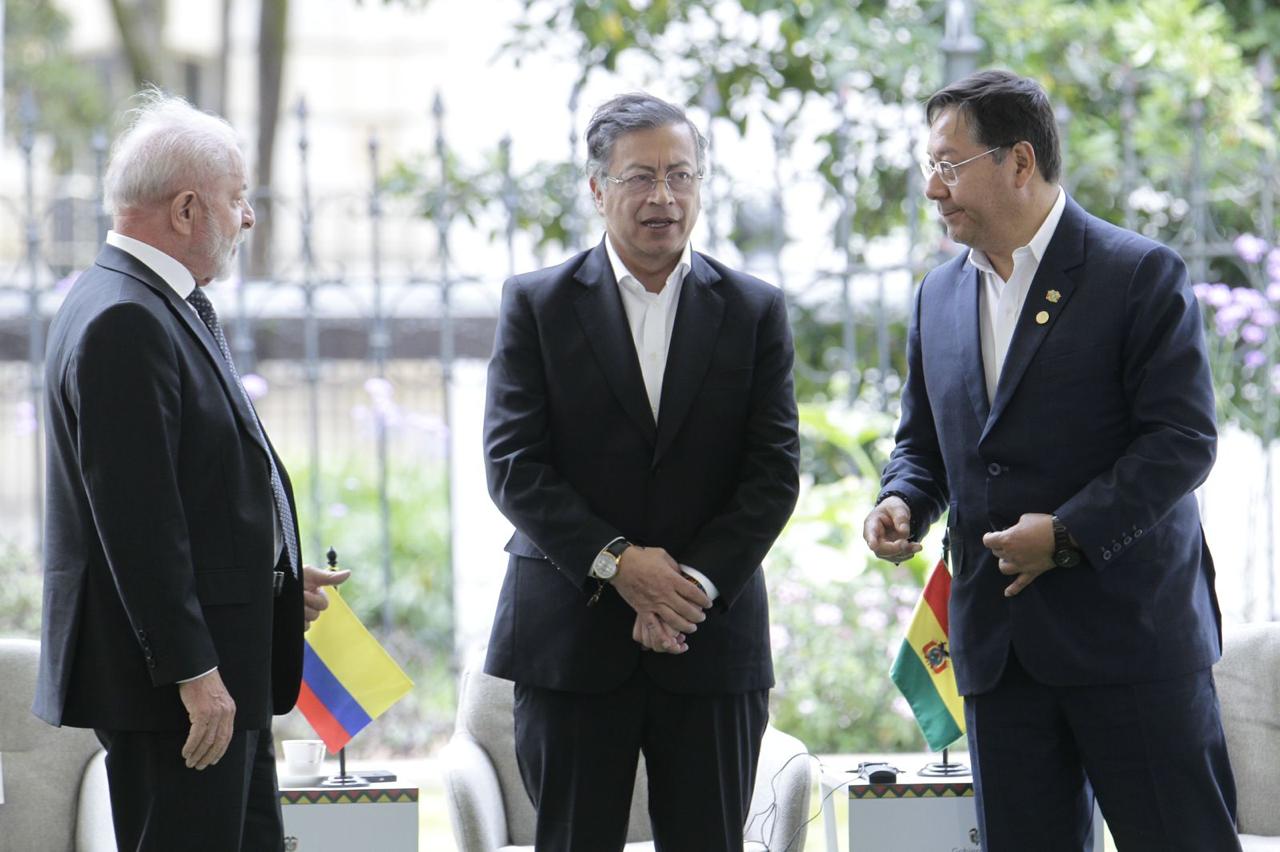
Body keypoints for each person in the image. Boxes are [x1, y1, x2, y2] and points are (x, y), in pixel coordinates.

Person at [863, 69, 1240, 851]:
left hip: (1131, 643)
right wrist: (901, 501)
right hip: (999, 655)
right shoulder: (937, 296)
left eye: (950, 164)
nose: (933, 188)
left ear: (1020, 162)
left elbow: (1182, 441)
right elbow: (923, 443)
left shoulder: (1137, 274)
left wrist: (1067, 532)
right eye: (929, 166)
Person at [483, 91, 800, 851]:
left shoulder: (755, 310)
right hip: (572, 636)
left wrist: (687, 589)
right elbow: (513, 465)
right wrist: (620, 566)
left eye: (682, 175)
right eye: (640, 177)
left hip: (709, 638)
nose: (664, 196)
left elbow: (773, 474)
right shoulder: (536, 304)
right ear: (597, 188)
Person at [35, 89, 348, 852]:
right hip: (179, 695)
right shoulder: (124, 317)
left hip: (214, 673)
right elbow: (137, 525)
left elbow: (190, 489)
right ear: (184, 210)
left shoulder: (144, 300)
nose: (248, 219)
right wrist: (193, 674)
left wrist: (269, 578)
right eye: (237, 200)